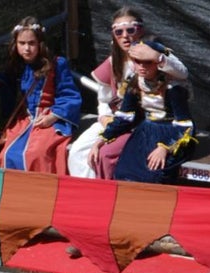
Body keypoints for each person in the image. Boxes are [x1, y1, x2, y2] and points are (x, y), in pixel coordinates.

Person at [67, 7, 187, 179]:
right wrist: (104, 117)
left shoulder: (155, 55)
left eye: (130, 30)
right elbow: (104, 98)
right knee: (78, 152)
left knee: (105, 155)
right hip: (119, 119)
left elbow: (183, 73)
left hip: (146, 123)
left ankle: (108, 193)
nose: (125, 36)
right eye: (118, 32)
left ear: (140, 31)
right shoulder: (113, 62)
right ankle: (88, 195)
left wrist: (156, 56)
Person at [90, 40, 194, 184]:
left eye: (148, 62)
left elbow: (185, 125)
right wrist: (100, 141)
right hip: (145, 133)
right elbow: (125, 117)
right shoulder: (135, 83)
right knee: (124, 172)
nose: (142, 67)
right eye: (137, 62)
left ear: (157, 64)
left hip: (170, 134)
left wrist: (164, 148)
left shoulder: (173, 88)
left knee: (154, 174)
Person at [0, 17, 81, 174]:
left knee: (36, 154)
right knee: (8, 154)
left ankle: (43, 194)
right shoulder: (18, 65)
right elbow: (9, 78)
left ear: (40, 43)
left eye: (31, 43)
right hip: (26, 119)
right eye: (22, 44)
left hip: (50, 119)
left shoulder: (57, 64)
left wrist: (53, 116)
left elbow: (70, 95)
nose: (27, 49)